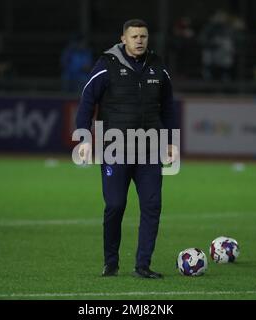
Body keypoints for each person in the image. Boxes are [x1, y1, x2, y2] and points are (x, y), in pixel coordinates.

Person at [75, 19, 179, 278]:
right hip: (115, 149)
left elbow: (168, 107)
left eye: (143, 36)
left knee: (152, 206)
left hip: (149, 150)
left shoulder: (158, 67)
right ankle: (111, 262)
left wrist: (170, 142)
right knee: (115, 206)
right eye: (134, 36)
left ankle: (143, 265)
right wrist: (84, 139)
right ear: (123, 39)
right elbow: (87, 101)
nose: (140, 40)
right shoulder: (106, 65)